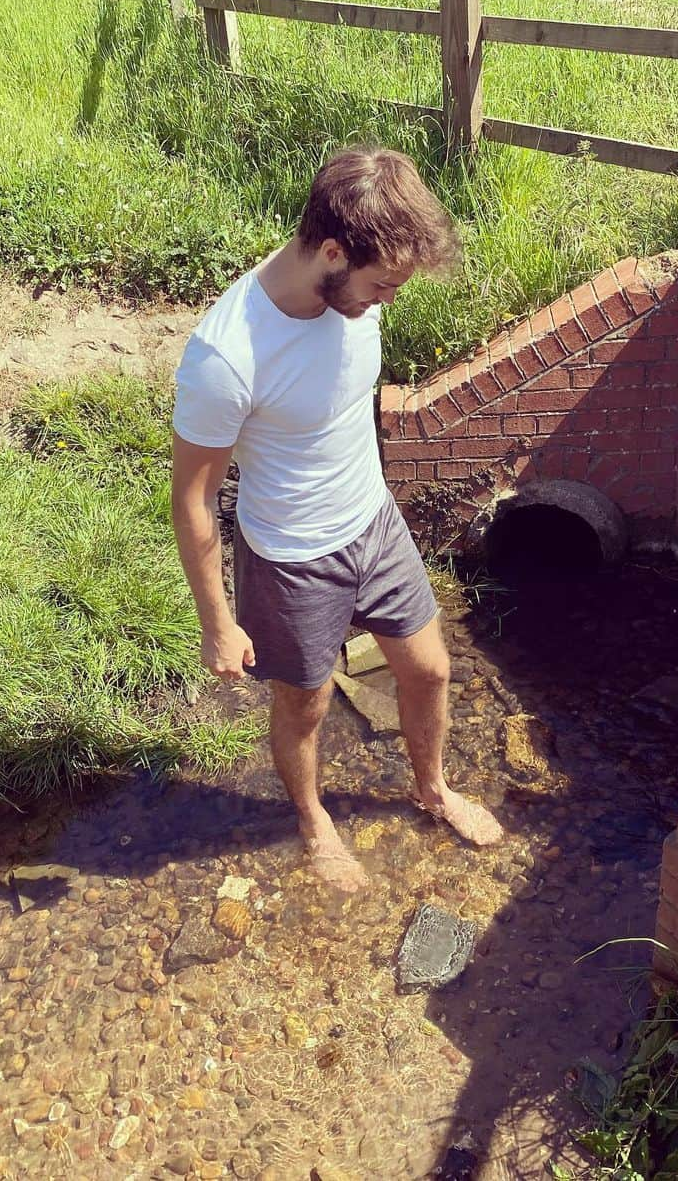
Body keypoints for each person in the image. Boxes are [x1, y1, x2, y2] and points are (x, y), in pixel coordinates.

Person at [170, 146, 503, 893]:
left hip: (374, 524)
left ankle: (432, 787)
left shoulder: (351, 287)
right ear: (329, 251)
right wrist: (217, 621)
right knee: (306, 702)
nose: (387, 301)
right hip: (292, 556)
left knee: (430, 669)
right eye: (381, 285)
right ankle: (314, 820)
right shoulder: (225, 357)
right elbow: (193, 500)